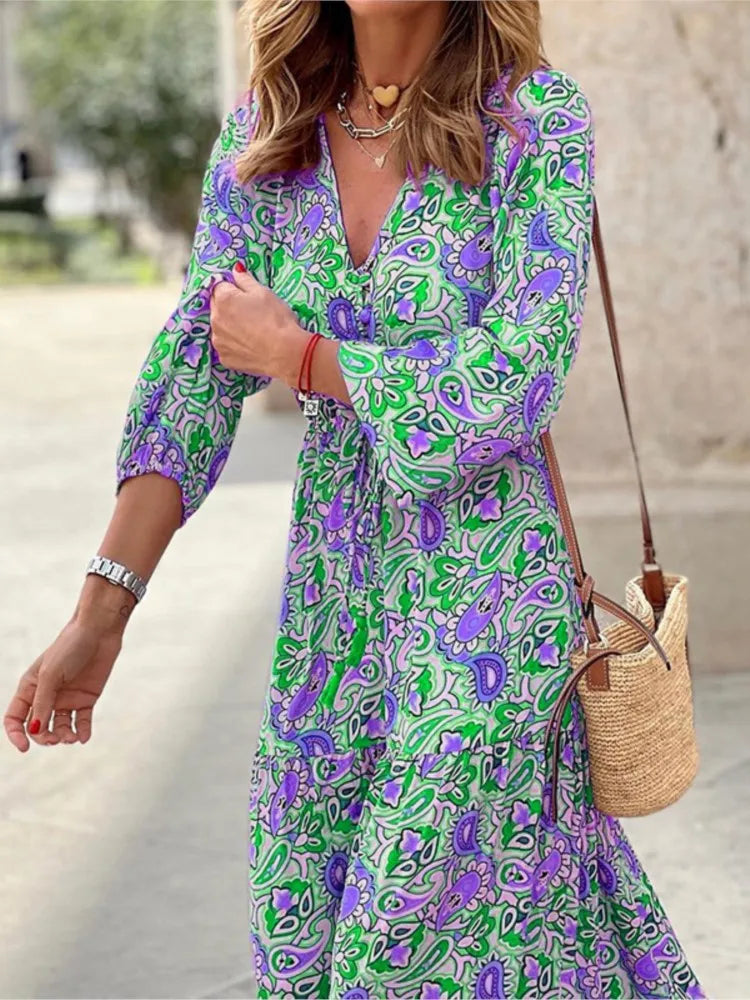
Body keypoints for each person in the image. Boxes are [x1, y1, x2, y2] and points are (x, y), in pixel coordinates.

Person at [4, 1, 707, 997]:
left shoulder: (534, 122)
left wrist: (303, 357)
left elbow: (517, 376)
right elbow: (192, 382)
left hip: (489, 598)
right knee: (318, 907)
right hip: (335, 612)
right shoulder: (267, 134)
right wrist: (100, 614)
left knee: (401, 931)